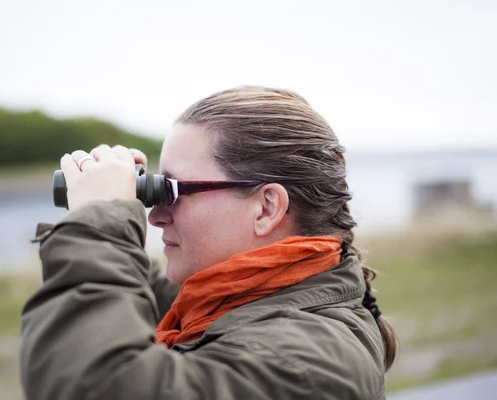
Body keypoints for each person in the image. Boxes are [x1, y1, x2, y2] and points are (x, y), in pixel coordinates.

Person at [20, 86, 397, 400]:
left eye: (172, 191)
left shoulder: (304, 363)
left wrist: (100, 228)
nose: (155, 215)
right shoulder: (242, 300)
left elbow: (95, 385)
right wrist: (102, 214)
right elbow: (136, 301)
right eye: (154, 192)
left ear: (266, 208)